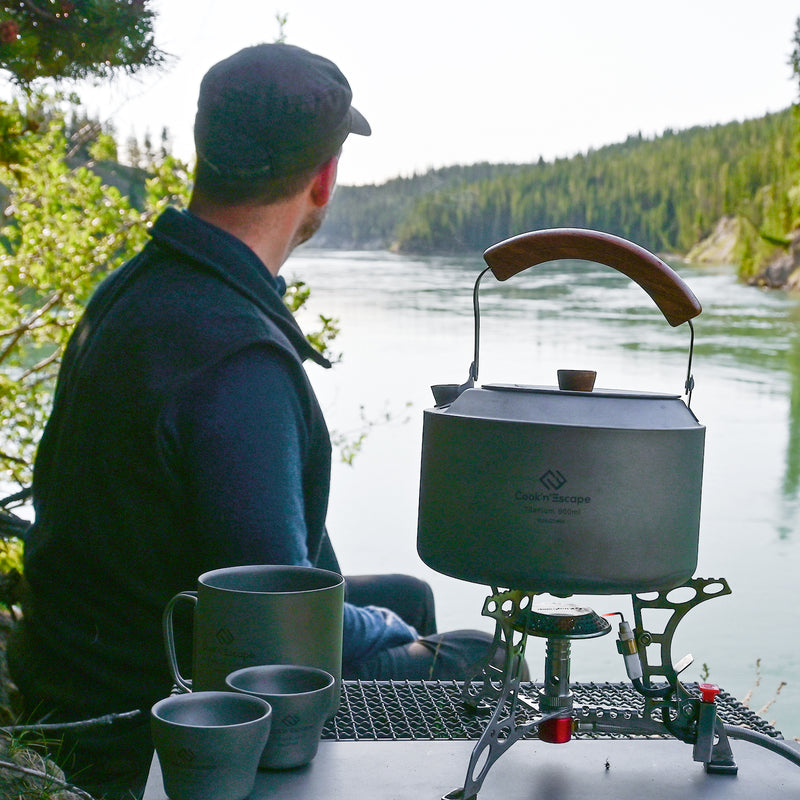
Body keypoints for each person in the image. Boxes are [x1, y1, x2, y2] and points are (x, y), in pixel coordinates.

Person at [8, 43, 510, 799]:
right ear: (324, 179)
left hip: (84, 657)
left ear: (204, 151)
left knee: (405, 594)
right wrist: (391, 634)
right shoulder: (236, 360)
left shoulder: (140, 289)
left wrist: (380, 618)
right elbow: (281, 632)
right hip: (152, 720)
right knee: (486, 659)